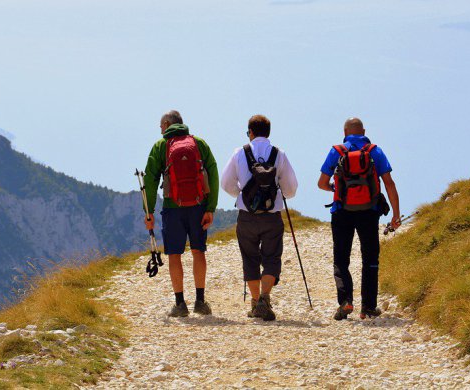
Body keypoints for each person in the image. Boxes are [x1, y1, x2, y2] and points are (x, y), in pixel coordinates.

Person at [317, 117, 400, 320]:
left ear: (344, 132)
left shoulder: (336, 151)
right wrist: (396, 214)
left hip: (341, 211)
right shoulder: (375, 151)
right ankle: (368, 307)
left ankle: (346, 302)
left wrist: (335, 189)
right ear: (364, 131)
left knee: (341, 259)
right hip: (369, 211)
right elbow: (389, 183)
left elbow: (321, 183)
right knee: (370, 258)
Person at [221, 114, 298, 321]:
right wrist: (281, 194)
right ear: (268, 132)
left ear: (251, 132)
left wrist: (240, 195)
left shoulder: (239, 153)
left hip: (247, 215)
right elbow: (291, 187)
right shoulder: (278, 154)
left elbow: (226, 183)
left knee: (250, 257)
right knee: (272, 257)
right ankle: (265, 298)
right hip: (272, 216)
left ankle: (256, 303)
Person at [143, 110, 219, 317]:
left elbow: (150, 181)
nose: (160, 131)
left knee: (174, 254)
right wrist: (210, 208)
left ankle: (180, 304)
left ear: (167, 124)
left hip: (173, 208)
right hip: (198, 206)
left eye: (160, 127)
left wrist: (148, 211)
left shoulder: (160, 147)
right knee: (198, 251)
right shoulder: (199, 143)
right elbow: (212, 174)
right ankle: (200, 302)